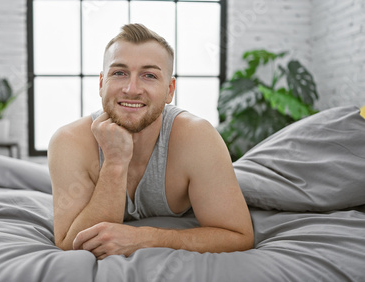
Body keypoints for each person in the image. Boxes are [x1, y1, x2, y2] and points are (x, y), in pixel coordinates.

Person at [48, 23, 254, 260]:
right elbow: (69, 245)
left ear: (169, 90)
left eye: (149, 75)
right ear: (101, 83)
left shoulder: (197, 137)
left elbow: (239, 236)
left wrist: (144, 238)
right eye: (119, 73)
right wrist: (115, 161)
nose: (131, 89)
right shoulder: (69, 141)